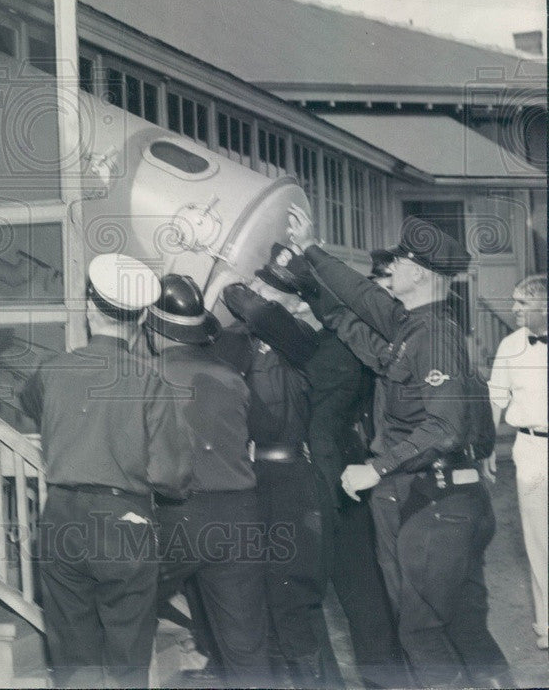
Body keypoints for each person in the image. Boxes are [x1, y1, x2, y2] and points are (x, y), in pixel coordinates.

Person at [288, 207, 511, 688]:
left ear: (418, 272)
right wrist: (310, 270)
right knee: (465, 628)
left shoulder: (432, 335)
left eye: (402, 263)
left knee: (423, 633)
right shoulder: (415, 330)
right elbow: (357, 320)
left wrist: (377, 468)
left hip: (432, 504)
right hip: (435, 500)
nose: (393, 271)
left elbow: (445, 427)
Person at [233, 246, 405, 688]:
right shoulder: (342, 339)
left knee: (321, 598)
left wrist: (268, 291)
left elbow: (244, 302)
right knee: (360, 596)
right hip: (342, 477)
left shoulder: (327, 347)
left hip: (324, 482)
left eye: (271, 287)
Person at [18, 253, 192, 688]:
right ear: (139, 321)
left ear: (89, 307)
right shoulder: (153, 382)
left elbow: (31, 406)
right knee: (127, 654)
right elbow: (170, 476)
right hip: (124, 522)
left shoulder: (50, 370)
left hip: (60, 518)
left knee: (72, 654)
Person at [220, 254, 343, 689]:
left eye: (271, 288)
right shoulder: (244, 340)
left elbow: (246, 304)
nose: (260, 293)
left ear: (294, 302)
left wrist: (237, 287)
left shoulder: (305, 340)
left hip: (293, 480)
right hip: (254, 480)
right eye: (260, 284)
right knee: (266, 601)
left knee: (293, 602)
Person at [145, 274, 271, 687]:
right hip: (239, 517)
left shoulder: (144, 377)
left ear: (153, 329)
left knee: (121, 616)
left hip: (177, 514)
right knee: (245, 646)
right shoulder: (232, 376)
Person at [486, 274, 548, 651]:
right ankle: (548, 625)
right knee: (540, 539)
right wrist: (487, 446)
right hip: (531, 449)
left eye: (521, 303)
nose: (514, 309)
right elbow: (496, 397)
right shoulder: (510, 345)